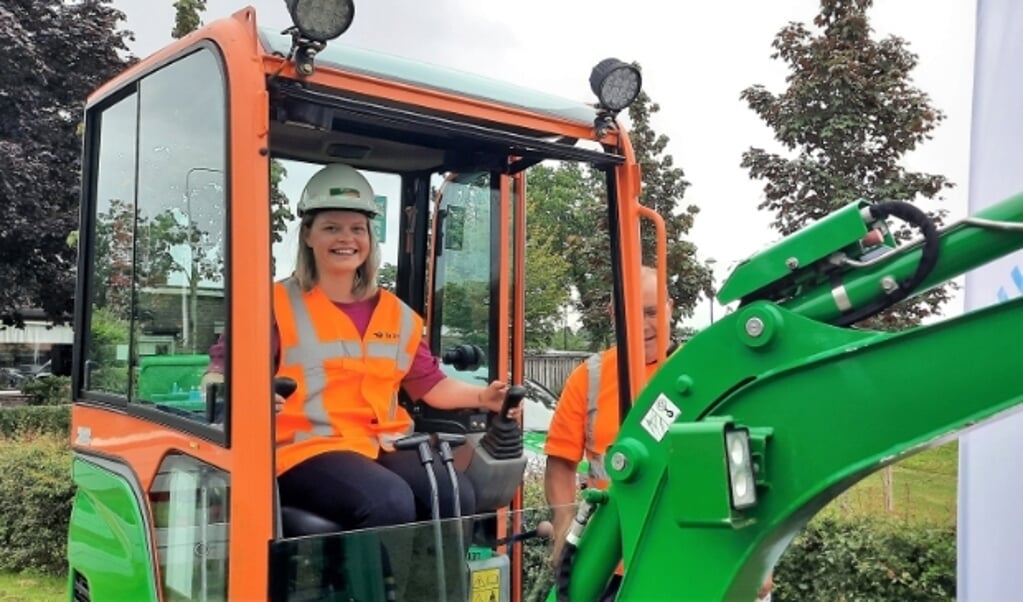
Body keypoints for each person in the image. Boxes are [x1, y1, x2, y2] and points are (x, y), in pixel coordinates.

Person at [206, 162, 518, 533]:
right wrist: (243, 397)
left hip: (387, 442)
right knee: (388, 501)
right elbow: (220, 374)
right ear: (308, 235)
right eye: (331, 228)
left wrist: (484, 397)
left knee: (454, 493)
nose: (346, 238)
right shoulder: (271, 305)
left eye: (357, 229)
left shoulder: (398, 315)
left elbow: (429, 383)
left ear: (370, 238)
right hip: (306, 449)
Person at [542, 266, 774, 601]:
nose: (642, 326)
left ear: (670, 307)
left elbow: (750, 469)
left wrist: (758, 557)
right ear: (612, 314)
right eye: (629, 314)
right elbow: (561, 463)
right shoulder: (589, 379)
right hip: (610, 567)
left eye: (650, 312)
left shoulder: (708, 375)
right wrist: (564, 522)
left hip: (693, 559)